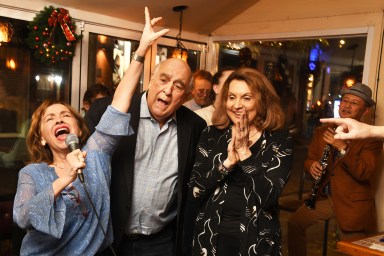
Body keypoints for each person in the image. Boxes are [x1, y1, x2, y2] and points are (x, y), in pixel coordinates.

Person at [12, 7, 168, 255]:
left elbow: (119, 103)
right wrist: (66, 178)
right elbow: (22, 217)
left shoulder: (96, 155)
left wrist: (141, 51)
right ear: (41, 137)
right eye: (50, 118)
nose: (59, 119)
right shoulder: (32, 173)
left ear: (77, 127)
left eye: (66, 115)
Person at [85, 21, 206, 256]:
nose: (168, 90)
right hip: (109, 240)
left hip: (160, 243)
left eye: (178, 85)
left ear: (186, 95)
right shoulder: (105, 111)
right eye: (163, 79)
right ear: (151, 78)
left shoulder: (194, 127)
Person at [187, 67, 294, 256]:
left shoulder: (279, 141)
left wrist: (245, 154)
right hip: (211, 238)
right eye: (231, 97)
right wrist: (227, 163)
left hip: (256, 241)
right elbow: (194, 191)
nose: (237, 105)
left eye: (246, 98)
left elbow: (268, 198)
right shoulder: (211, 135)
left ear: (261, 101)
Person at [287, 83, 383, 256]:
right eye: (345, 100)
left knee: (352, 251)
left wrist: (342, 148)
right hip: (324, 197)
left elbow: (364, 172)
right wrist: (312, 167)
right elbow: (309, 159)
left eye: (354, 103)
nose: (346, 105)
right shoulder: (322, 131)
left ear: (365, 111)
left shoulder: (372, 138)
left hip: (352, 204)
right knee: (295, 224)